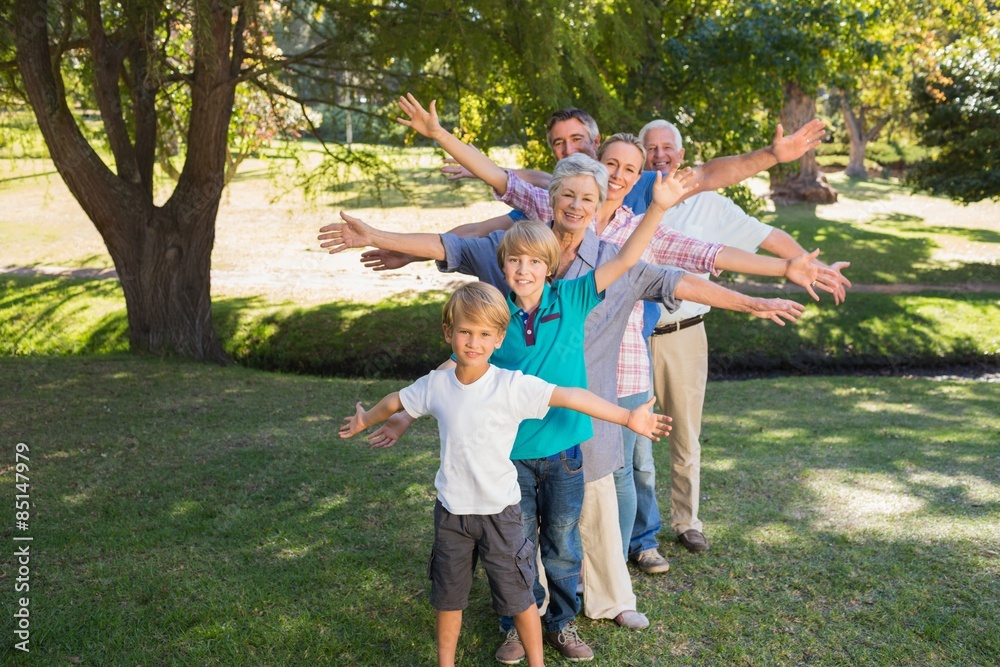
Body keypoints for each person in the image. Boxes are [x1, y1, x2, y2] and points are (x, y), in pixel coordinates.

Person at [319, 96, 808, 661]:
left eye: (591, 196)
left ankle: (568, 616)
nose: (577, 205)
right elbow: (453, 242)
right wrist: (379, 234)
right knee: (515, 542)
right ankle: (515, 623)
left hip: (570, 431)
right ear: (550, 204)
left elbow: (687, 270)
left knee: (566, 536)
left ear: (606, 202)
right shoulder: (517, 249)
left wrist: (755, 297)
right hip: (506, 442)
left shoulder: (589, 278)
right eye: (568, 195)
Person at [340, 281, 671, 667]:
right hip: (451, 514)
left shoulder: (509, 386)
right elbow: (397, 399)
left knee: (519, 597)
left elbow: (569, 396)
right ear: (449, 333)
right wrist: (366, 419)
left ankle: (537, 661)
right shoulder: (436, 385)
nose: (473, 342)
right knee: (448, 597)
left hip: (501, 514)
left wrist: (627, 416)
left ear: (499, 338)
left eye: (484, 334)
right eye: (464, 331)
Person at [621, 118, 851, 566]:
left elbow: (768, 237)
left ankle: (688, 522)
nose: (661, 155)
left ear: (682, 156)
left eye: (669, 147)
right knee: (634, 442)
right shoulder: (627, 198)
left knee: (686, 434)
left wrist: (806, 263)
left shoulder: (711, 204)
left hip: (684, 335)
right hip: (632, 336)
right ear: (642, 157)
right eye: (652, 148)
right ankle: (639, 536)